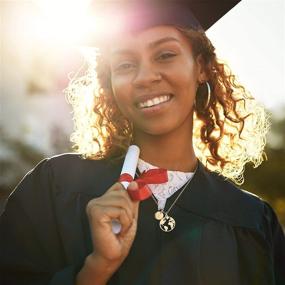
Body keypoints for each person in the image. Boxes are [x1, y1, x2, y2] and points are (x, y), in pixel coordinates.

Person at [1, 0, 284, 284]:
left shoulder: (251, 220)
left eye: (165, 55)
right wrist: (97, 267)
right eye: (125, 64)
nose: (145, 77)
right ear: (109, 82)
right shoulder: (55, 188)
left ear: (201, 67)